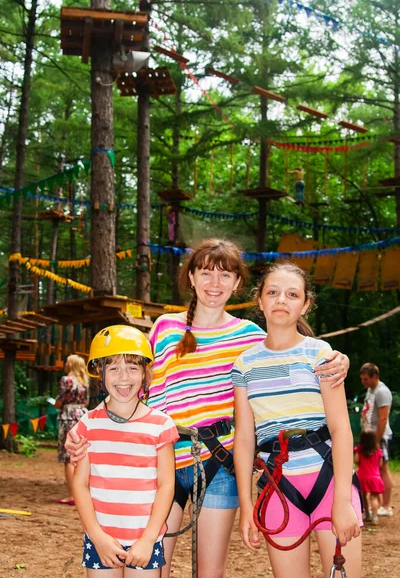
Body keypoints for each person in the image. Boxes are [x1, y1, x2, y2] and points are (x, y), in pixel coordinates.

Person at [64, 239, 350, 578]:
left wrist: (339, 359)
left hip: (219, 463)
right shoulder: (166, 329)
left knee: (209, 572)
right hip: (162, 459)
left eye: (225, 275)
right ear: (192, 278)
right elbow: (135, 389)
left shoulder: (249, 337)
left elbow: (288, 352)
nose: (215, 283)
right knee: (154, 565)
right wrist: (93, 428)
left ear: (238, 284)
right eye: (206, 273)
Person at [232, 262, 362, 578]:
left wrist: (342, 501)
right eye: (272, 292)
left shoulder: (320, 355)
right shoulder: (244, 364)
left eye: (292, 294)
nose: (281, 300)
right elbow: (245, 438)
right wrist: (246, 506)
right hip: (279, 486)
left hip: (329, 480)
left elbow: (340, 429)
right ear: (259, 300)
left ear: (305, 304)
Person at [72, 325, 178, 576]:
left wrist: (149, 539)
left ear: (145, 373)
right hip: (100, 539)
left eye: (133, 367)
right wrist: (97, 536)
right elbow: (80, 485)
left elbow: (166, 485)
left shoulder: (161, 425)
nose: (124, 377)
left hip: (145, 540)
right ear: (100, 372)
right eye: (114, 368)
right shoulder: (88, 424)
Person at [55, 354, 89, 505]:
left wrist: (57, 404)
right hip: (82, 416)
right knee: (81, 455)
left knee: (68, 457)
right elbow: (87, 401)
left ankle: (72, 495)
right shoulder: (85, 382)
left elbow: (59, 402)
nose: (65, 364)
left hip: (68, 416)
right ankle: (83, 493)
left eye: (67, 362)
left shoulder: (66, 380)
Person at [360, 362, 393, 517]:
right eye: (362, 379)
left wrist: (376, 441)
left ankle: (386, 506)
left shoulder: (382, 392)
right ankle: (378, 505)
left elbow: (383, 418)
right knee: (375, 471)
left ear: (375, 376)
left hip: (379, 437)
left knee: (382, 469)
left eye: (366, 379)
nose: (363, 382)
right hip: (370, 438)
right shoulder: (371, 390)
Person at [354, 429, 384, 526]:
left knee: (364, 497)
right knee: (374, 497)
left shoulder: (359, 449)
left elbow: (356, 460)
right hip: (375, 477)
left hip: (363, 477)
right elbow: (380, 464)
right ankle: (375, 517)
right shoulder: (378, 451)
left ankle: (367, 514)